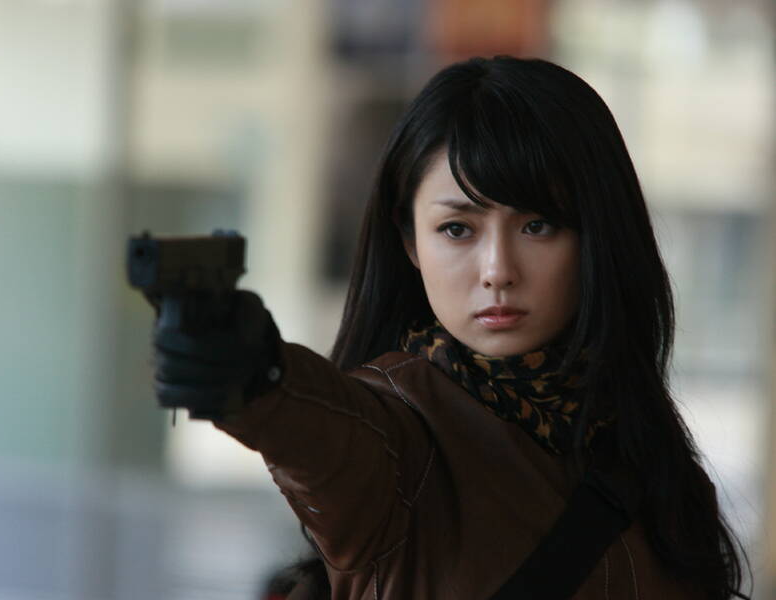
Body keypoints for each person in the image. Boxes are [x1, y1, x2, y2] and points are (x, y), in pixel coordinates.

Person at [149, 56, 750, 599]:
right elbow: (322, 431)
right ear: (410, 241)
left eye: (538, 225)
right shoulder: (398, 431)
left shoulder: (650, 456)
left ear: (598, 234)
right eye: (458, 229)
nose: (498, 270)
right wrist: (255, 370)